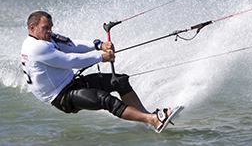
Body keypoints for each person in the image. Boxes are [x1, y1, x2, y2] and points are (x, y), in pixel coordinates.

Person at [21, 11, 173, 132]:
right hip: (61, 96)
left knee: (119, 81)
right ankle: (153, 119)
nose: (49, 31)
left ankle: (150, 119)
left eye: (51, 27)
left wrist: (99, 45)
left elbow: (71, 45)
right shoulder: (36, 47)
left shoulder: (45, 39)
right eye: (45, 28)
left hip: (72, 83)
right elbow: (70, 61)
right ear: (32, 28)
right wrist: (101, 57)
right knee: (105, 100)